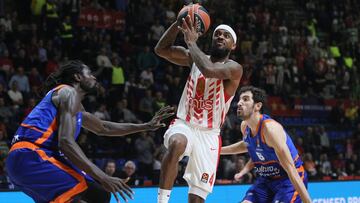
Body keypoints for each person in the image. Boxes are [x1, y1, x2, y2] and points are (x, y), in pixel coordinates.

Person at [5, 60, 174, 203]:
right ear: (78, 77)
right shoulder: (68, 92)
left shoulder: (75, 105)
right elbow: (66, 143)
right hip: (32, 155)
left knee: (99, 194)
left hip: (24, 161)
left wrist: (145, 126)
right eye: (89, 73)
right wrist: (103, 176)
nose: (94, 77)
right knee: (92, 190)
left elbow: (103, 127)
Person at [154, 14, 243, 203]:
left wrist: (191, 43)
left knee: (196, 199)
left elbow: (209, 70)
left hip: (209, 134)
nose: (220, 37)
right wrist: (178, 24)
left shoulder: (234, 68)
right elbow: (161, 49)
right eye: (217, 34)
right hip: (185, 123)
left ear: (233, 46)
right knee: (177, 143)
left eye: (226, 36)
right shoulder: (195, 57)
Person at [221, 86, 311, 203]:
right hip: (266, 180)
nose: (239, 103)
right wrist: (218, 150)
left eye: (246, 99)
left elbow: (291, 170)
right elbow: (247, 145)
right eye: (239, 99)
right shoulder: (245, 126)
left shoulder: (270, 130)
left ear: (257, 106)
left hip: (288, 180)